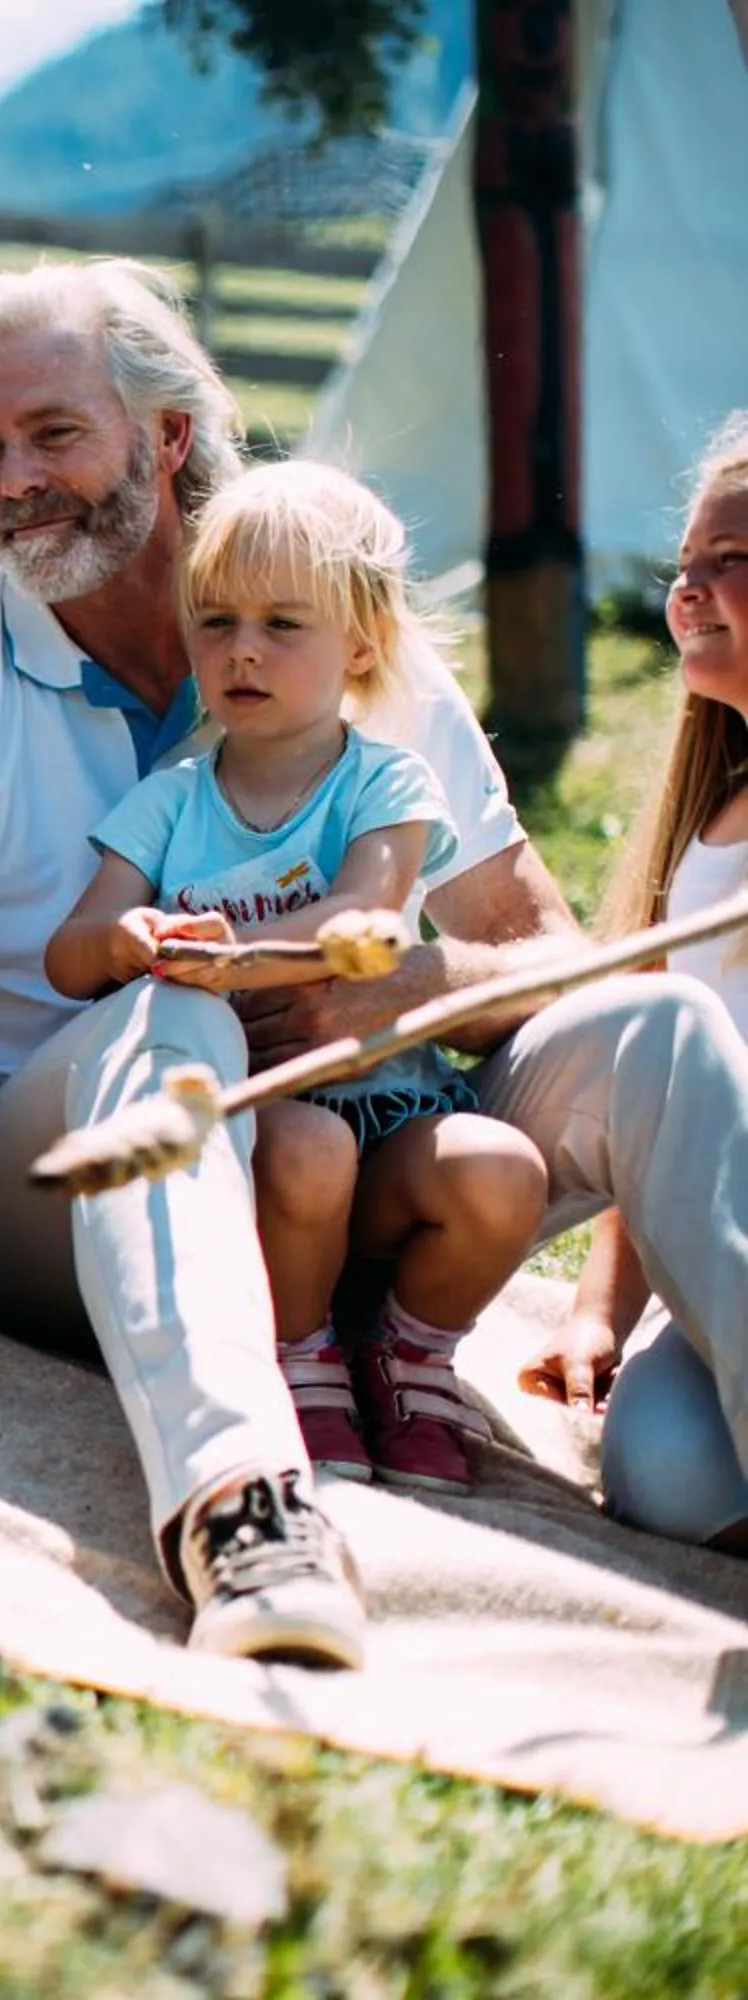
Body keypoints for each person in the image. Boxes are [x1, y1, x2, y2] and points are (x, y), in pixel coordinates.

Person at [0, 258, 748, 1670]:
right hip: (39, 1200)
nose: (15, 482)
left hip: (358, 1168)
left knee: (662, 1021)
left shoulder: (348, 644)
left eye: (53, 434)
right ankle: (242, 1510)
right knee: (163, 1013)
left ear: (166, 438)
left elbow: (544, 944)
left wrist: (413, 987)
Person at [43, 462, 546, 1495]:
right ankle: (302, 1353)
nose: (243, 650)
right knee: (308, 1145)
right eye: (217, 622)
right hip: (262, 1133)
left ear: (361, 644)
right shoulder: (171, 799)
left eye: (284, 624)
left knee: (502, 1167)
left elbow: (366, 911)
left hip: (392, 1105)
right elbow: (71, 947)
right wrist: (126, 937)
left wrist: (237, 950)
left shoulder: (387, 779)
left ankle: (411, 1356)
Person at [546, 416, 748, 1550]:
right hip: (730, 1243)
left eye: (733, 561)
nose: (690, 588)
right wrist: (596, 1306)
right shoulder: (708, 825)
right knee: (656, 1466)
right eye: (684, 565)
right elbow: (658, 1121)